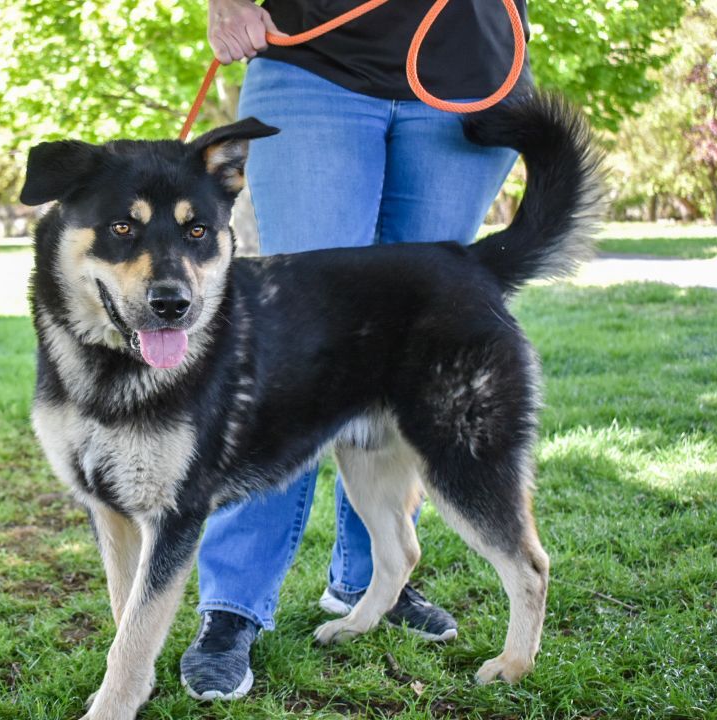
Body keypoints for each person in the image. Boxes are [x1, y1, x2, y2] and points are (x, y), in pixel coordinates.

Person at [178, 0, 535, 702]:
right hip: (314, 63)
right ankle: (234, 605)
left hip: (464, 70)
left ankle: (375, 578)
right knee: (292, 343)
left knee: (410, 351)